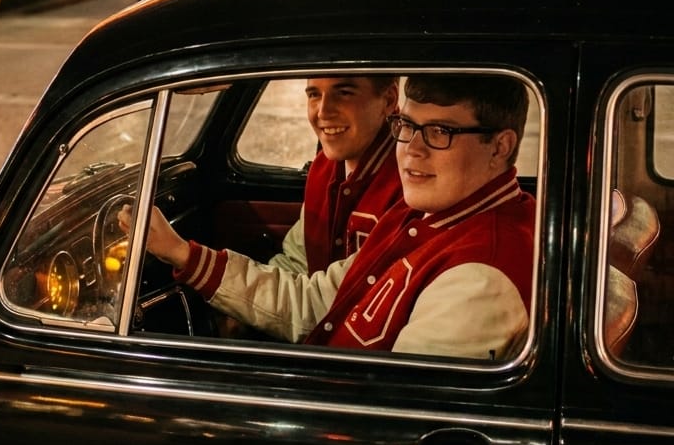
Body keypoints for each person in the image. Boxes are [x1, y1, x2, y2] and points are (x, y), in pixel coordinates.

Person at [120, 74, 535, 360]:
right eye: (408, 126)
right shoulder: (426, 216)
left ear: (500, 147)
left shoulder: (480, 274)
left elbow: (399, 411)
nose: (411, 150)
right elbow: (314, 300)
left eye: (440, 132)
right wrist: (182, 255)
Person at [269, 74, 402, 275]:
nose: (323, 112)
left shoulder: (410, 180)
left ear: (389, 100)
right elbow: (297, 261)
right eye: (314, 94)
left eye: (344, 93)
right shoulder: (322, 168)